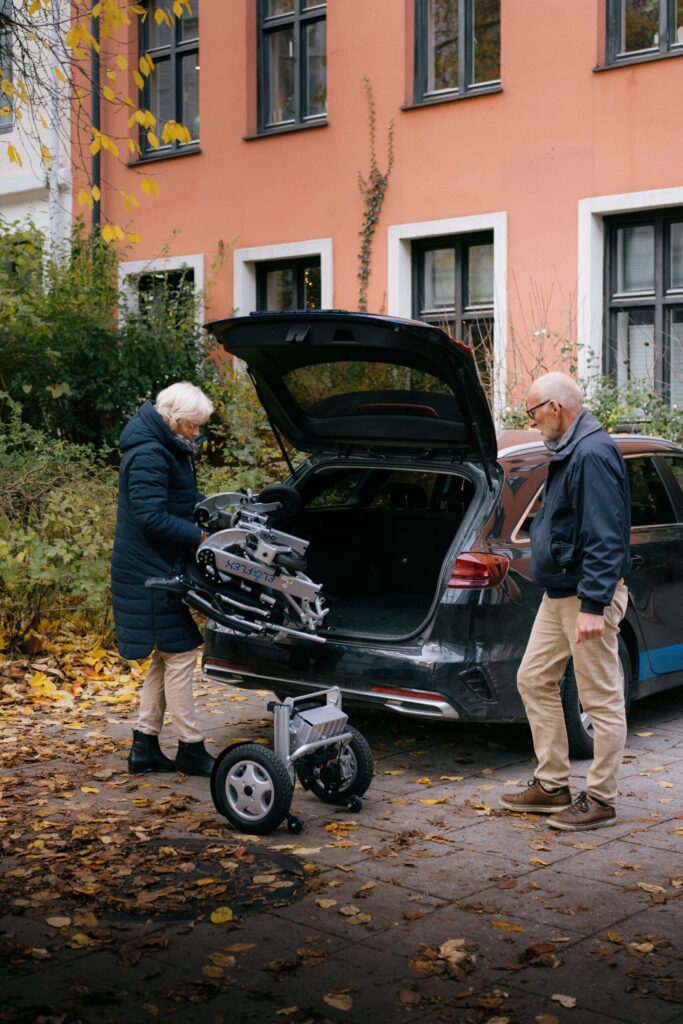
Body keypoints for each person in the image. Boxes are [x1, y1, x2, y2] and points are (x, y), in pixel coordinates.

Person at [499, 371, 630, 831]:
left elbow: (606, 536)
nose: (531, 421)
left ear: (554, 407)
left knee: (600, 699)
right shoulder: (570, 449)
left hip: (585, 595)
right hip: (559, 593)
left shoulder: (592, 453)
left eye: (532, 412)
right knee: (534, 678)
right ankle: (552, 786)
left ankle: (601, 798)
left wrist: (593, 605)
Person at [111, 381, 216, 777]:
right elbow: (151, 517)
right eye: (192, 425)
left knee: (167, 653)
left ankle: (145, 747)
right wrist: (200, 537)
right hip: (146, 570)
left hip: (155, 565)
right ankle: (190, 745)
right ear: (173, 420)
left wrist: (213, 510)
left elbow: (180, 498)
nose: (196, 433)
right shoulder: (150, 453)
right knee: (182, 653)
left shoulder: (164, 446)